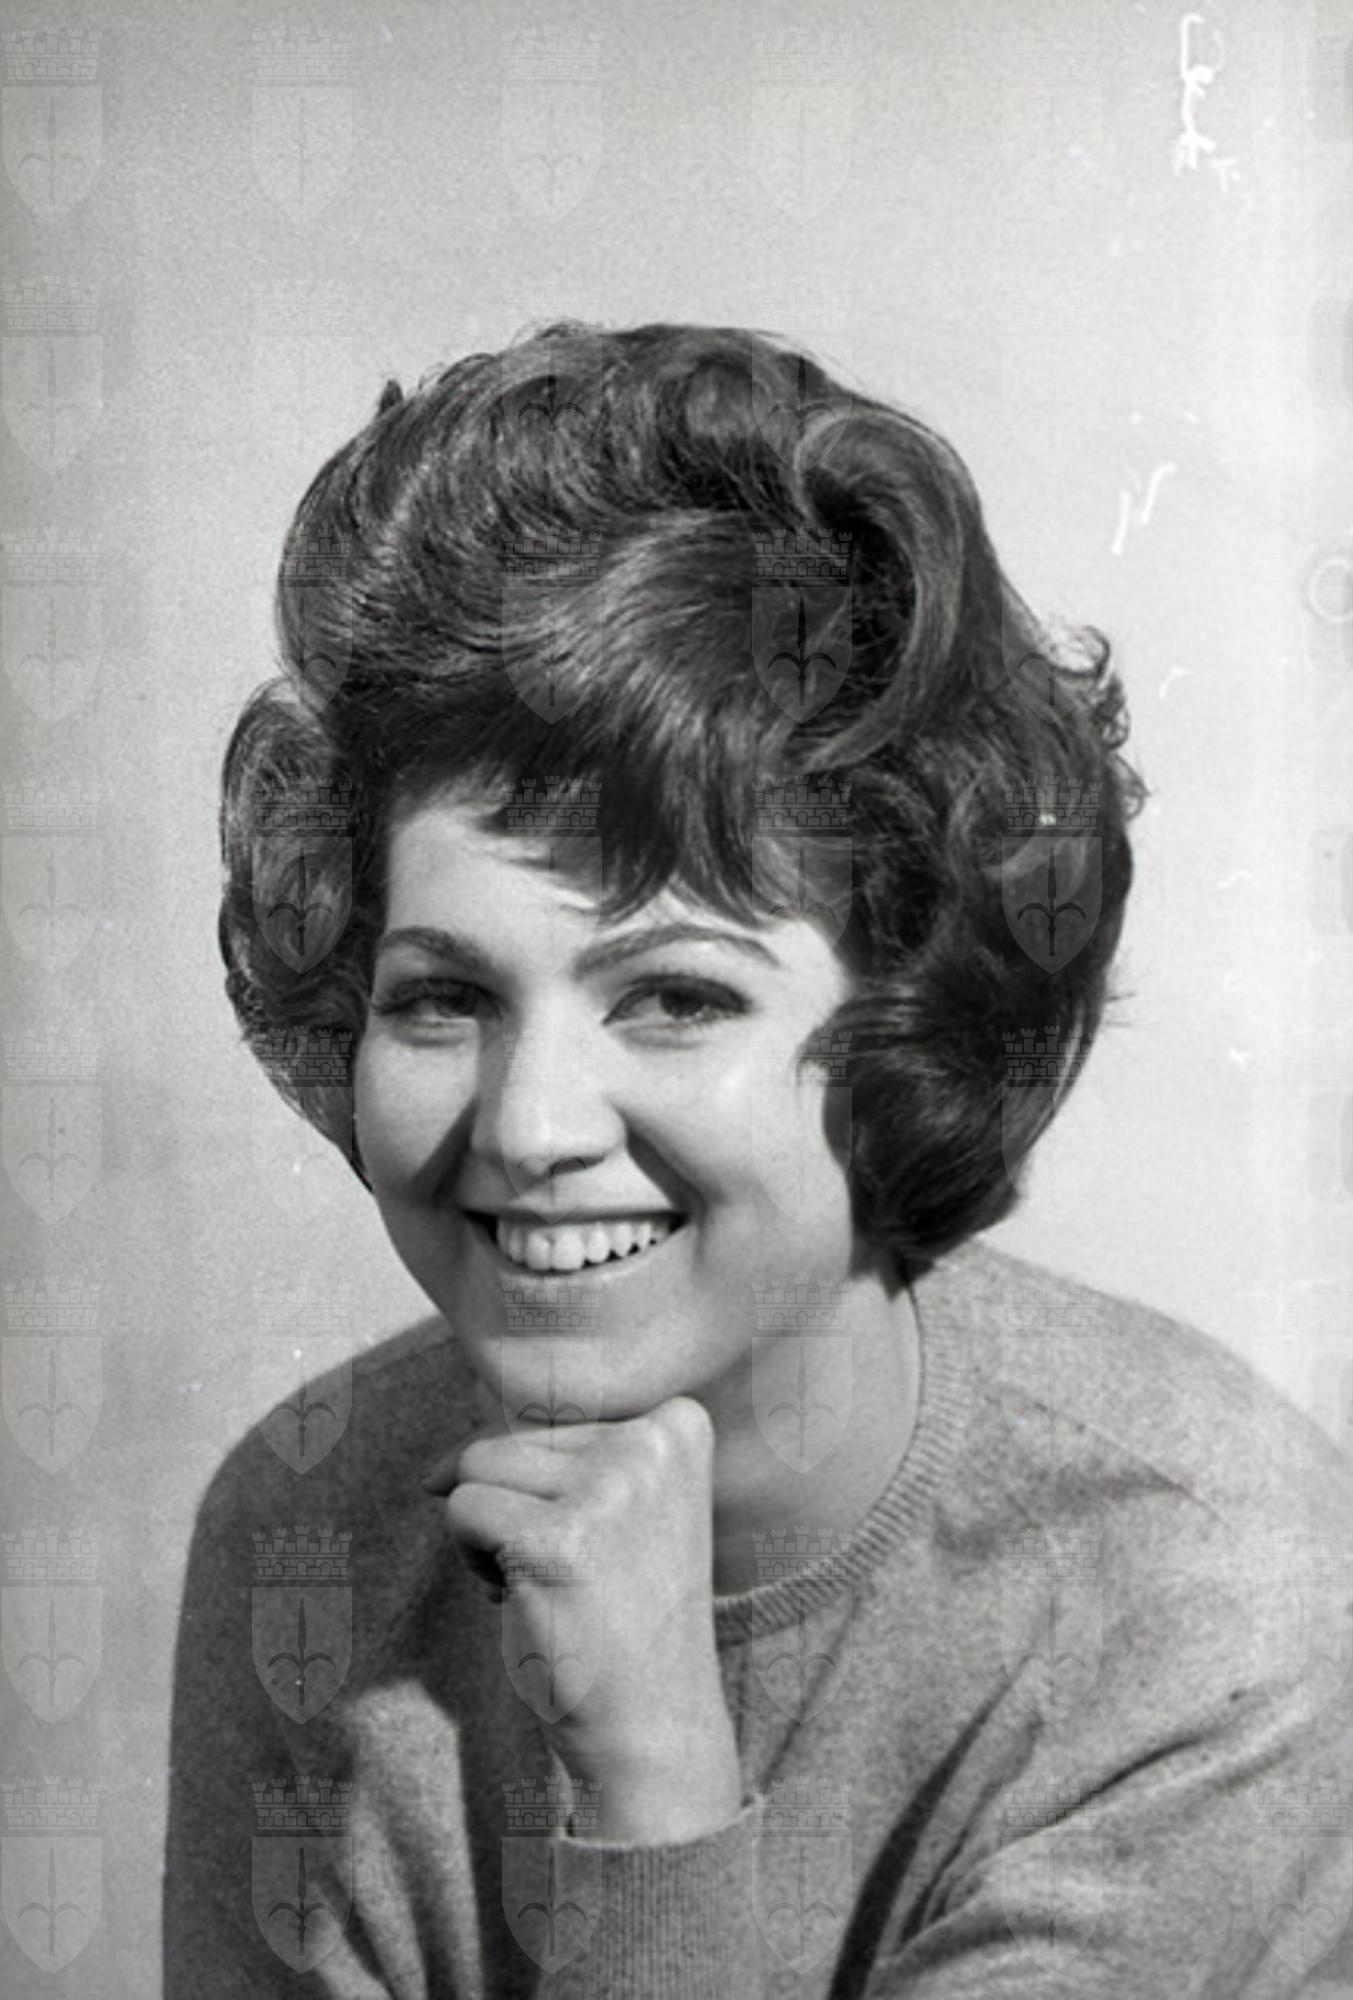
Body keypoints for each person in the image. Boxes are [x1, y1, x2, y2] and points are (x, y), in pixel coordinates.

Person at [167, 321, 1353, 1997]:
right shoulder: (306, 1519)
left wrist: (649, 1773)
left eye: (673, 996)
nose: (529, 1124)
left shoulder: (1211, 1592)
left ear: (912, 1028)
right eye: (442, 997)